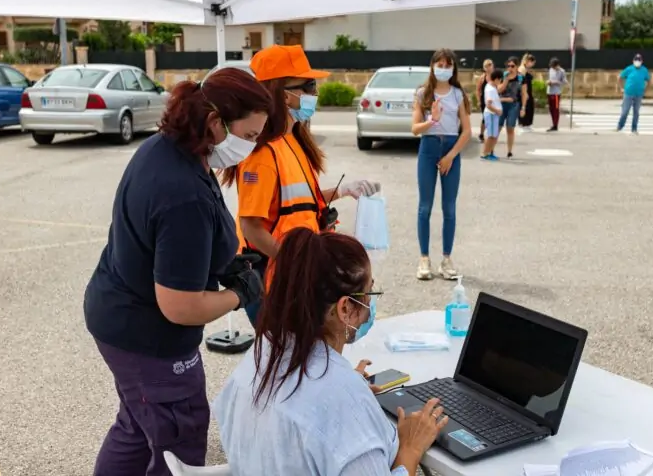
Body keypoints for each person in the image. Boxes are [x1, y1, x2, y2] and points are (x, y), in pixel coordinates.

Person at [84, 68, 271, 476]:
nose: (251, 147)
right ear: (215, 122)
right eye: (251, 135)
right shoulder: (181, 192)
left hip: (116, 311)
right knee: (177, 439)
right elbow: (180, 307)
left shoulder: (171, 147)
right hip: (148, 335)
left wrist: (224, 264)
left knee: (136, 426)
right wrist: (240, 293)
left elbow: (174, 242)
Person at [213, 227, 449, 475]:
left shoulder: (262, 352)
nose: (371, 304)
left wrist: (340, 388)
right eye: (369, 292)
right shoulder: (343, 400)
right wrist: (410, 449)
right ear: (345, 308)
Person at [220, 44, 380, 326]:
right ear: (283, 94)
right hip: (273, 280)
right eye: (307, 86)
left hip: (293, 275)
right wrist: (296, 262)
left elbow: (297, 201)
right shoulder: (263, 154)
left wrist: (342, 191)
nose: (314, 94)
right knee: (284, 360)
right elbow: (251, 227)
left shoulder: (293, 140)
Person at [411, 48, 472, 281]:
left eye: (448, 65)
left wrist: (451, 156)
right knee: (425, 206)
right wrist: (431, 121)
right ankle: (424, 258)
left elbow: (467, 131)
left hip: (451, 150)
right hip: (428, 148)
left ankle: (446, 259)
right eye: (440, 64)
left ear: (453, 68)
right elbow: (414, 129)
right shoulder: (422, 94)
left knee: (449, 208)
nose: (443, 69)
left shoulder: (458, 94)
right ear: (432, 66)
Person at [497, 56, 528, 159]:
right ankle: (491, 148)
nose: (510, 68)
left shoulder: (521, 78)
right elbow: (499, 90)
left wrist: (523, 108)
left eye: (512, 66)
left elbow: (524, 94)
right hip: (501, 104)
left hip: (514, 105)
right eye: (508, 66)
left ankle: (509, 151)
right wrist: (505, 80)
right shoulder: (503, 76)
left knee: (510, 128)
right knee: (498, 127)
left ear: (517, 66)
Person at [616, 53, 650, 135]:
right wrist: (621, 88)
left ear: (642, 61)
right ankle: (620, 126)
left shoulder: (644, 70)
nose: (637, 62)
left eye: (639, 60)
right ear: (633, 61)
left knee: (636, 112)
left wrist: (645, 89)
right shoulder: (629, 69)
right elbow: (620, 77)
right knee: (625, 111)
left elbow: (648, 80)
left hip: (639, 94)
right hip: (628, 93)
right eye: (636, 60)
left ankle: (634, 128)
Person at [480, 69, 504, 161]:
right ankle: (485, 154)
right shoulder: (490, 89)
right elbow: (488, 105)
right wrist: (497, 111)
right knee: (490, 135)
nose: (501, 81)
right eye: (500, 79)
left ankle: (489, 153)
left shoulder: (492, 87)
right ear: (497, 79)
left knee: (494, 135)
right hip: (491, 114)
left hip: (494, 114)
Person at [546, 57, 567, 132]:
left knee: (556, 109)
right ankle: (553, 123)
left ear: (557, 65)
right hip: (549, 91)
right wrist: (548, 82)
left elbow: (564, 82)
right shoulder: (550, 70)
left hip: (556, 93)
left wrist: (556, 82)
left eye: (554, 66)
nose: (553, 67)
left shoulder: (562, 71)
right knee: (551, 109)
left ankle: (555, 125)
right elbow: (548, 78)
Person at [475, 59, 494, 142]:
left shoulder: (496, 76)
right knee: (485, 118)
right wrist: (479, 100)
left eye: (490, 65)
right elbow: (478, 90)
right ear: (484, 68)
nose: (488, 67)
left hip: (493, 100)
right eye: (486, 66)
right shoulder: (482, 78)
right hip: (484, 101)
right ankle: (481, 134)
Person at [518, 53, 537, 132]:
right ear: (528, 61)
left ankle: (527, 124)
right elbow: (521, 81)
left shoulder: (526, 69)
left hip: (528, 89)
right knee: (526, 106)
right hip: (525, 90)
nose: (532, 65)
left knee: (530, 106)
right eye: (532, 62)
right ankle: (523, 124)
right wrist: (524, 92)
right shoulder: (522, 69)